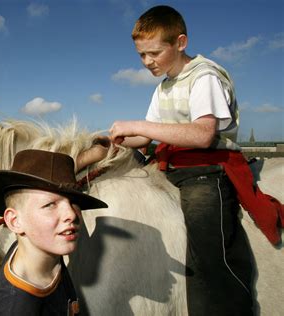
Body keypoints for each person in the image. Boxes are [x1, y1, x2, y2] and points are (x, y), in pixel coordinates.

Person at [105, 5, 256, 316]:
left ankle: (227, 306)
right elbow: (144, 139)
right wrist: (109, 142)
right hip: (173, 167)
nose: (147, 62)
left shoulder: (204, 76)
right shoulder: (165, 87)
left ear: (181, 42)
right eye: (141, 55)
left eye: (154, 53)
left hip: (207, 170)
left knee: (208, 247)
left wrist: (137, 126)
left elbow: (203, 134)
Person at [0, 149, 108, 315]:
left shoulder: (44, 252)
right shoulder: (11, 308)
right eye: (50, 205)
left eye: (74, 202)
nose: (71, 214)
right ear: (15, 221)